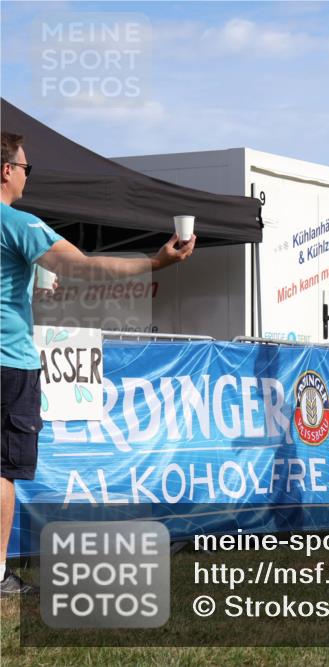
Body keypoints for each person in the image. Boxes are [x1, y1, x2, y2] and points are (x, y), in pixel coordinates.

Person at [1, 131, 196, 596]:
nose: (29, 176)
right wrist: (155, 263)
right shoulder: (19, 224)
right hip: (8, 364)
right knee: (2, 472)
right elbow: (84, 266)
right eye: (27, 167)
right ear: (6, 170)